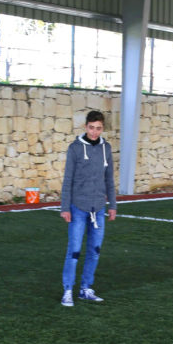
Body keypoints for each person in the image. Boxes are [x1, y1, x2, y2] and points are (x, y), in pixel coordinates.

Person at [60, 110, 117, 306]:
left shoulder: (106, 148)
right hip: (77, 207)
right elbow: (68, 180)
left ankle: (86, 288)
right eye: (91, 128)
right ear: (86, 127)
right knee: (74, 251)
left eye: (98, 128)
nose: (94, 132)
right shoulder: (75, 148)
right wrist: (65, 207)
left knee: (95, 250)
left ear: (102, 128)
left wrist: (113, 206)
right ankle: (68, 290)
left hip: (99, 208)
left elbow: (109, 178)